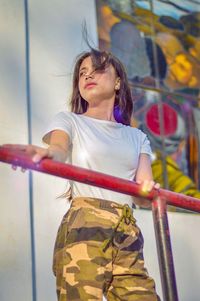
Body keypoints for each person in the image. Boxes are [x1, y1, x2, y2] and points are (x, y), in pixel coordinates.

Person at [7, 48, 160, 300]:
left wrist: (148, 190)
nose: (88, 76)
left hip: (127, 229)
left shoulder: (137, 137)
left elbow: (142, 196)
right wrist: (45, 154)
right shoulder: (69, 120)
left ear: (118, 82)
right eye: (82, 73)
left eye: (98, 70)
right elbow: (58, 150)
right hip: (85, 224)